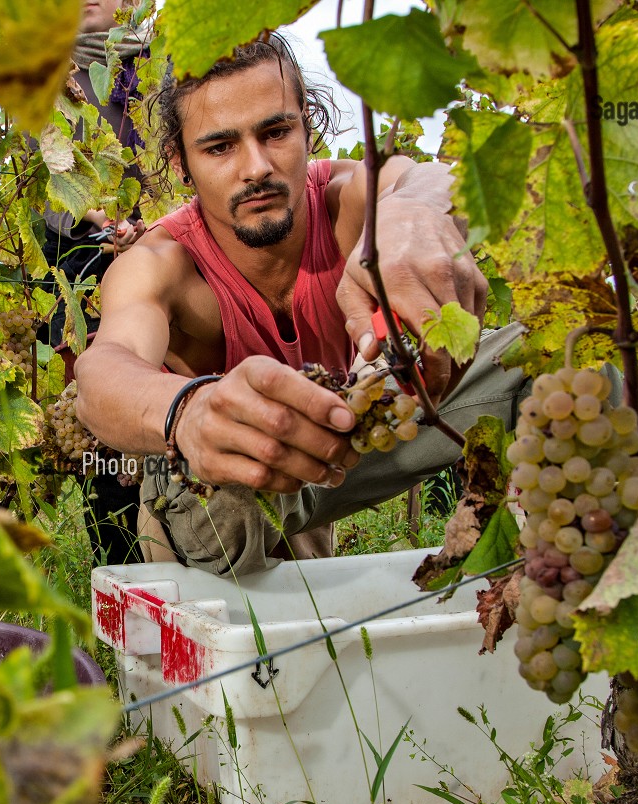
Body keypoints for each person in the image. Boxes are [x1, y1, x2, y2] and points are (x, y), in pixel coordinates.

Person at [74, 32, 528, 576]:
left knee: (540, 362)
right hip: (221, 493)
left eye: (276, 131)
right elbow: (102, 375)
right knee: (261, 627)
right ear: (179, 163)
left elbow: (426, 179)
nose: (257, 166)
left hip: (341, 440)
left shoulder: (350, 202)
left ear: (307, 124)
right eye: (220, 147)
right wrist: (191, 413)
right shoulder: (163, 263)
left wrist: (418, 212)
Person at [40, 0, 150, 566]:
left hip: (173, 259)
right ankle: (123, 581)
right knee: (102, 433)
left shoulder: (165, 70)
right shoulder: (46, 76)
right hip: (84, 270)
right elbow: (49, 185)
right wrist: (105, 222)